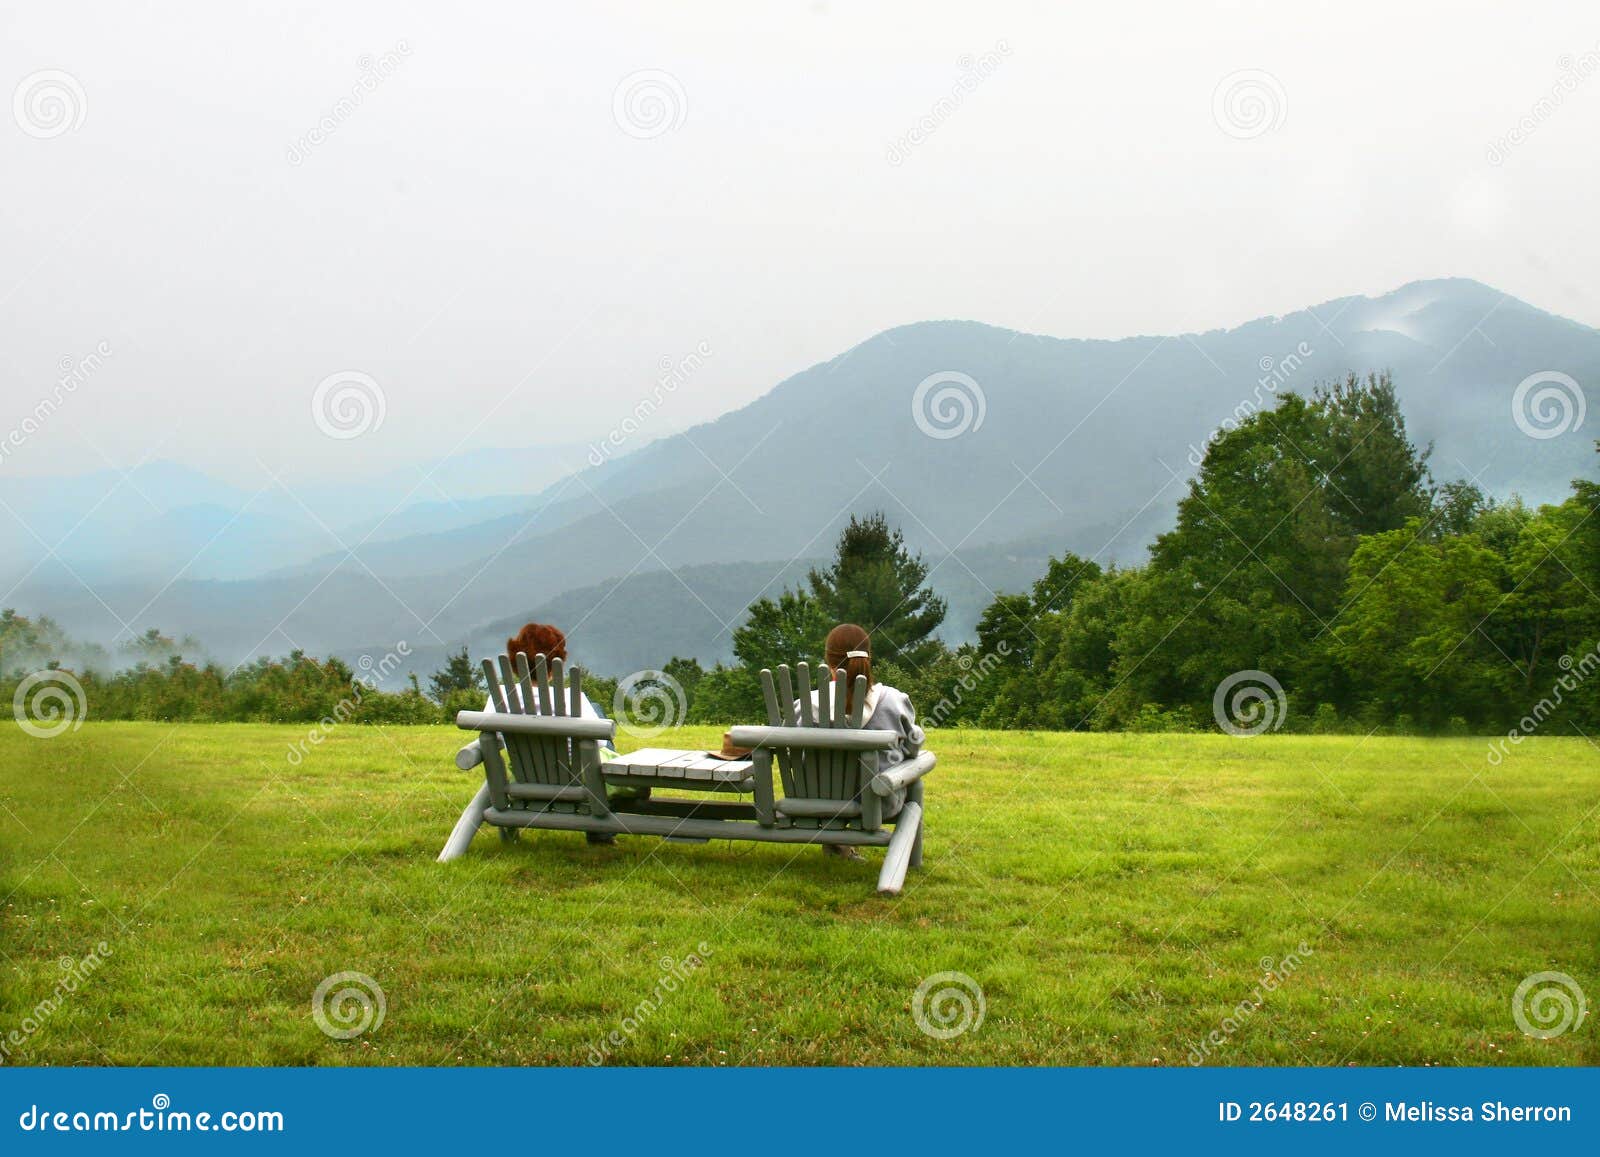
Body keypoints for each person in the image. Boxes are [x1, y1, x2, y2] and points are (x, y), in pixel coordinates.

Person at [800, 623, 925, 859]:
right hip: (878, 804)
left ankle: (837, 846)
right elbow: (911, 748)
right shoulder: (894, 701)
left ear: (829, 662)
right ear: (869, 658)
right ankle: (906, 856)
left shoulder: (805, 706)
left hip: (813, 803)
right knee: (915, 782)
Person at [498, 622, 617, 844]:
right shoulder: (574, 699)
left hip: (526, 778)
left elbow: (495, 740)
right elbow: (600, 744)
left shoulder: (500, 698)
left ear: (515, 664)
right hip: (576, 780)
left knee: (595, 711)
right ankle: (600, 832)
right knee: (597, 714)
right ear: (557, 665)